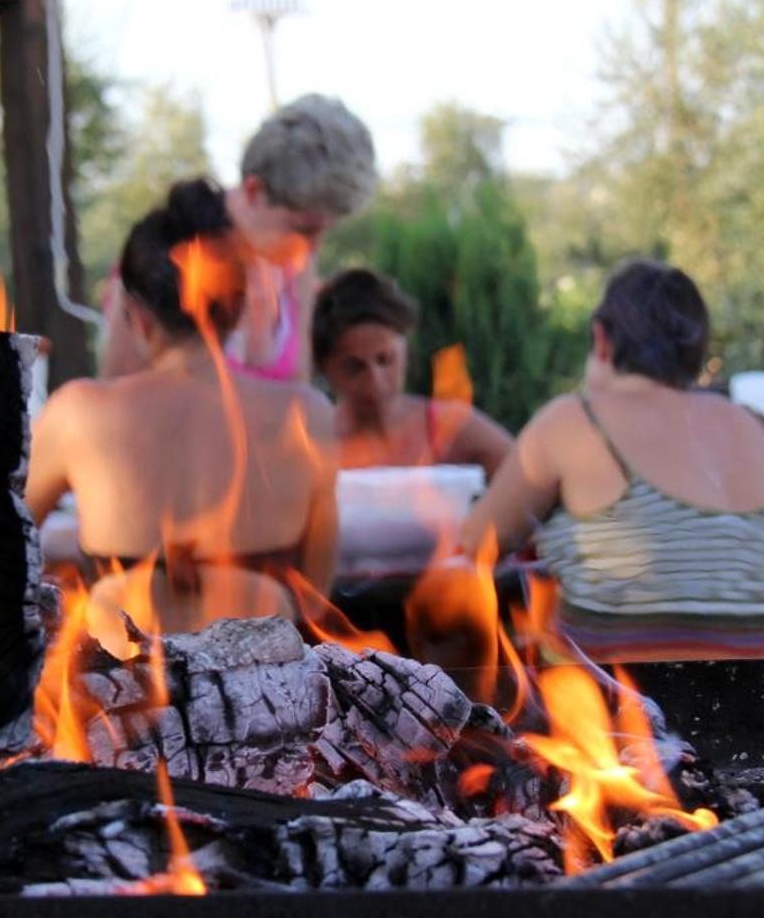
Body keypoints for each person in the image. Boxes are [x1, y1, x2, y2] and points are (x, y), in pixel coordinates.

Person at [458, 259, 764, 662]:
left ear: (601, 340)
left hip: (623, 711)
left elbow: (475, 542)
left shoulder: (573, 420)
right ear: (698, 351)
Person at [27, 179, 339, 630]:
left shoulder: (78, 413)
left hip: (122, 695)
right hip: (269, 691)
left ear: (135, 314)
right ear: (235, 308)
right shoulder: (309, 415)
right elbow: (316, 601)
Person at [98, 94, 377, 383]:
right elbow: (116, 395)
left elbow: (298, 384)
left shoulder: (297, 264)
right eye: (303, 228)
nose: (312, 248)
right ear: (254, 190)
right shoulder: (167, 253)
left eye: (325, 231)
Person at [310, 267, 513, 480]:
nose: (375, 381)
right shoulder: (313, 448)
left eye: (386, 360)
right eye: (354, 368)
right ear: (325, 368)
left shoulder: (447, 429)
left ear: (405, 347)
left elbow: (533, 481)